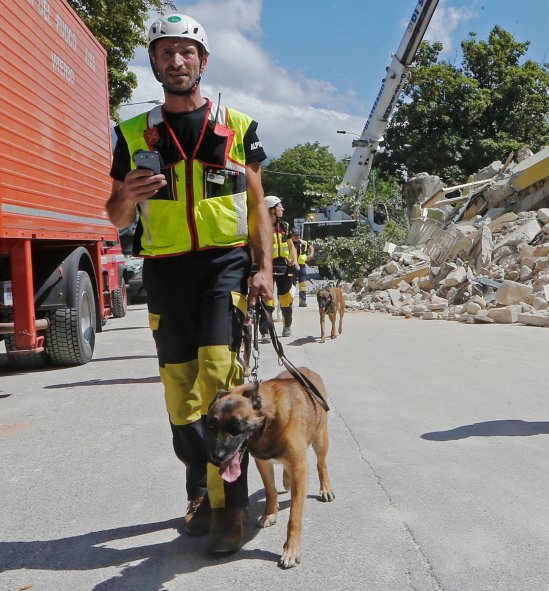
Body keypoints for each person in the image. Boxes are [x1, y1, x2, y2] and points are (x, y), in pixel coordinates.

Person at [105, 13, 273, 555]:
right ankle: (199, 492)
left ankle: (232, 510)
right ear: (154, 62)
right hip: (165, 268)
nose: (176, 61)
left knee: (222, 381)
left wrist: (263, 268)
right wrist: (128, 196)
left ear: (203, 61)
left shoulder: (238, 126)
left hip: (224, 265)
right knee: (180, 391)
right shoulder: (132, 134)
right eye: (165, 52)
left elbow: (255, 206)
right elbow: (113, 217)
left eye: (186, 52)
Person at [263, 195, 298, 336]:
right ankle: (265, 331)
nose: (282, 209)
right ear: (272, 210)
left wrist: (294, 260)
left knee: (286, 299)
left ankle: (287, 326)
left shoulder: (285, 225)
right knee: (267, 299)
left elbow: (291, 246)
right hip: (267, 267)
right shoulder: (261, 226)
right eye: (279, 207)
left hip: (283, 266)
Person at [290, 229, 315, 307]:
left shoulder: (303, 243)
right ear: (291, 236)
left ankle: (302, 301)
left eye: (298, 235)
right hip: (292, 266)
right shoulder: (288, 243)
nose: (297, 236)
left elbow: (311, 247)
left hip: (302, 266)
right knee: (291, 285)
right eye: (295, 235)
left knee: (303, 284)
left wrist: (311, 255)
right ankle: (289, 301)